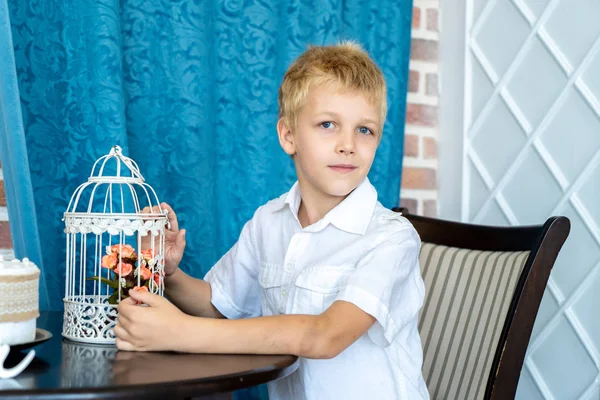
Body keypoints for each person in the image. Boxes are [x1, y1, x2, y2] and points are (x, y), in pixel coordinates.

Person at [115, 41, 430, 399]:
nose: (348, 144)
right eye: (328, 124)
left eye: (364, 130)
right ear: (288, 135)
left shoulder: (392, 238)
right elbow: (220, 305)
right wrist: (168, 274)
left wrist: (181, 333)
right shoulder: (270, 221)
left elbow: (325, 335)